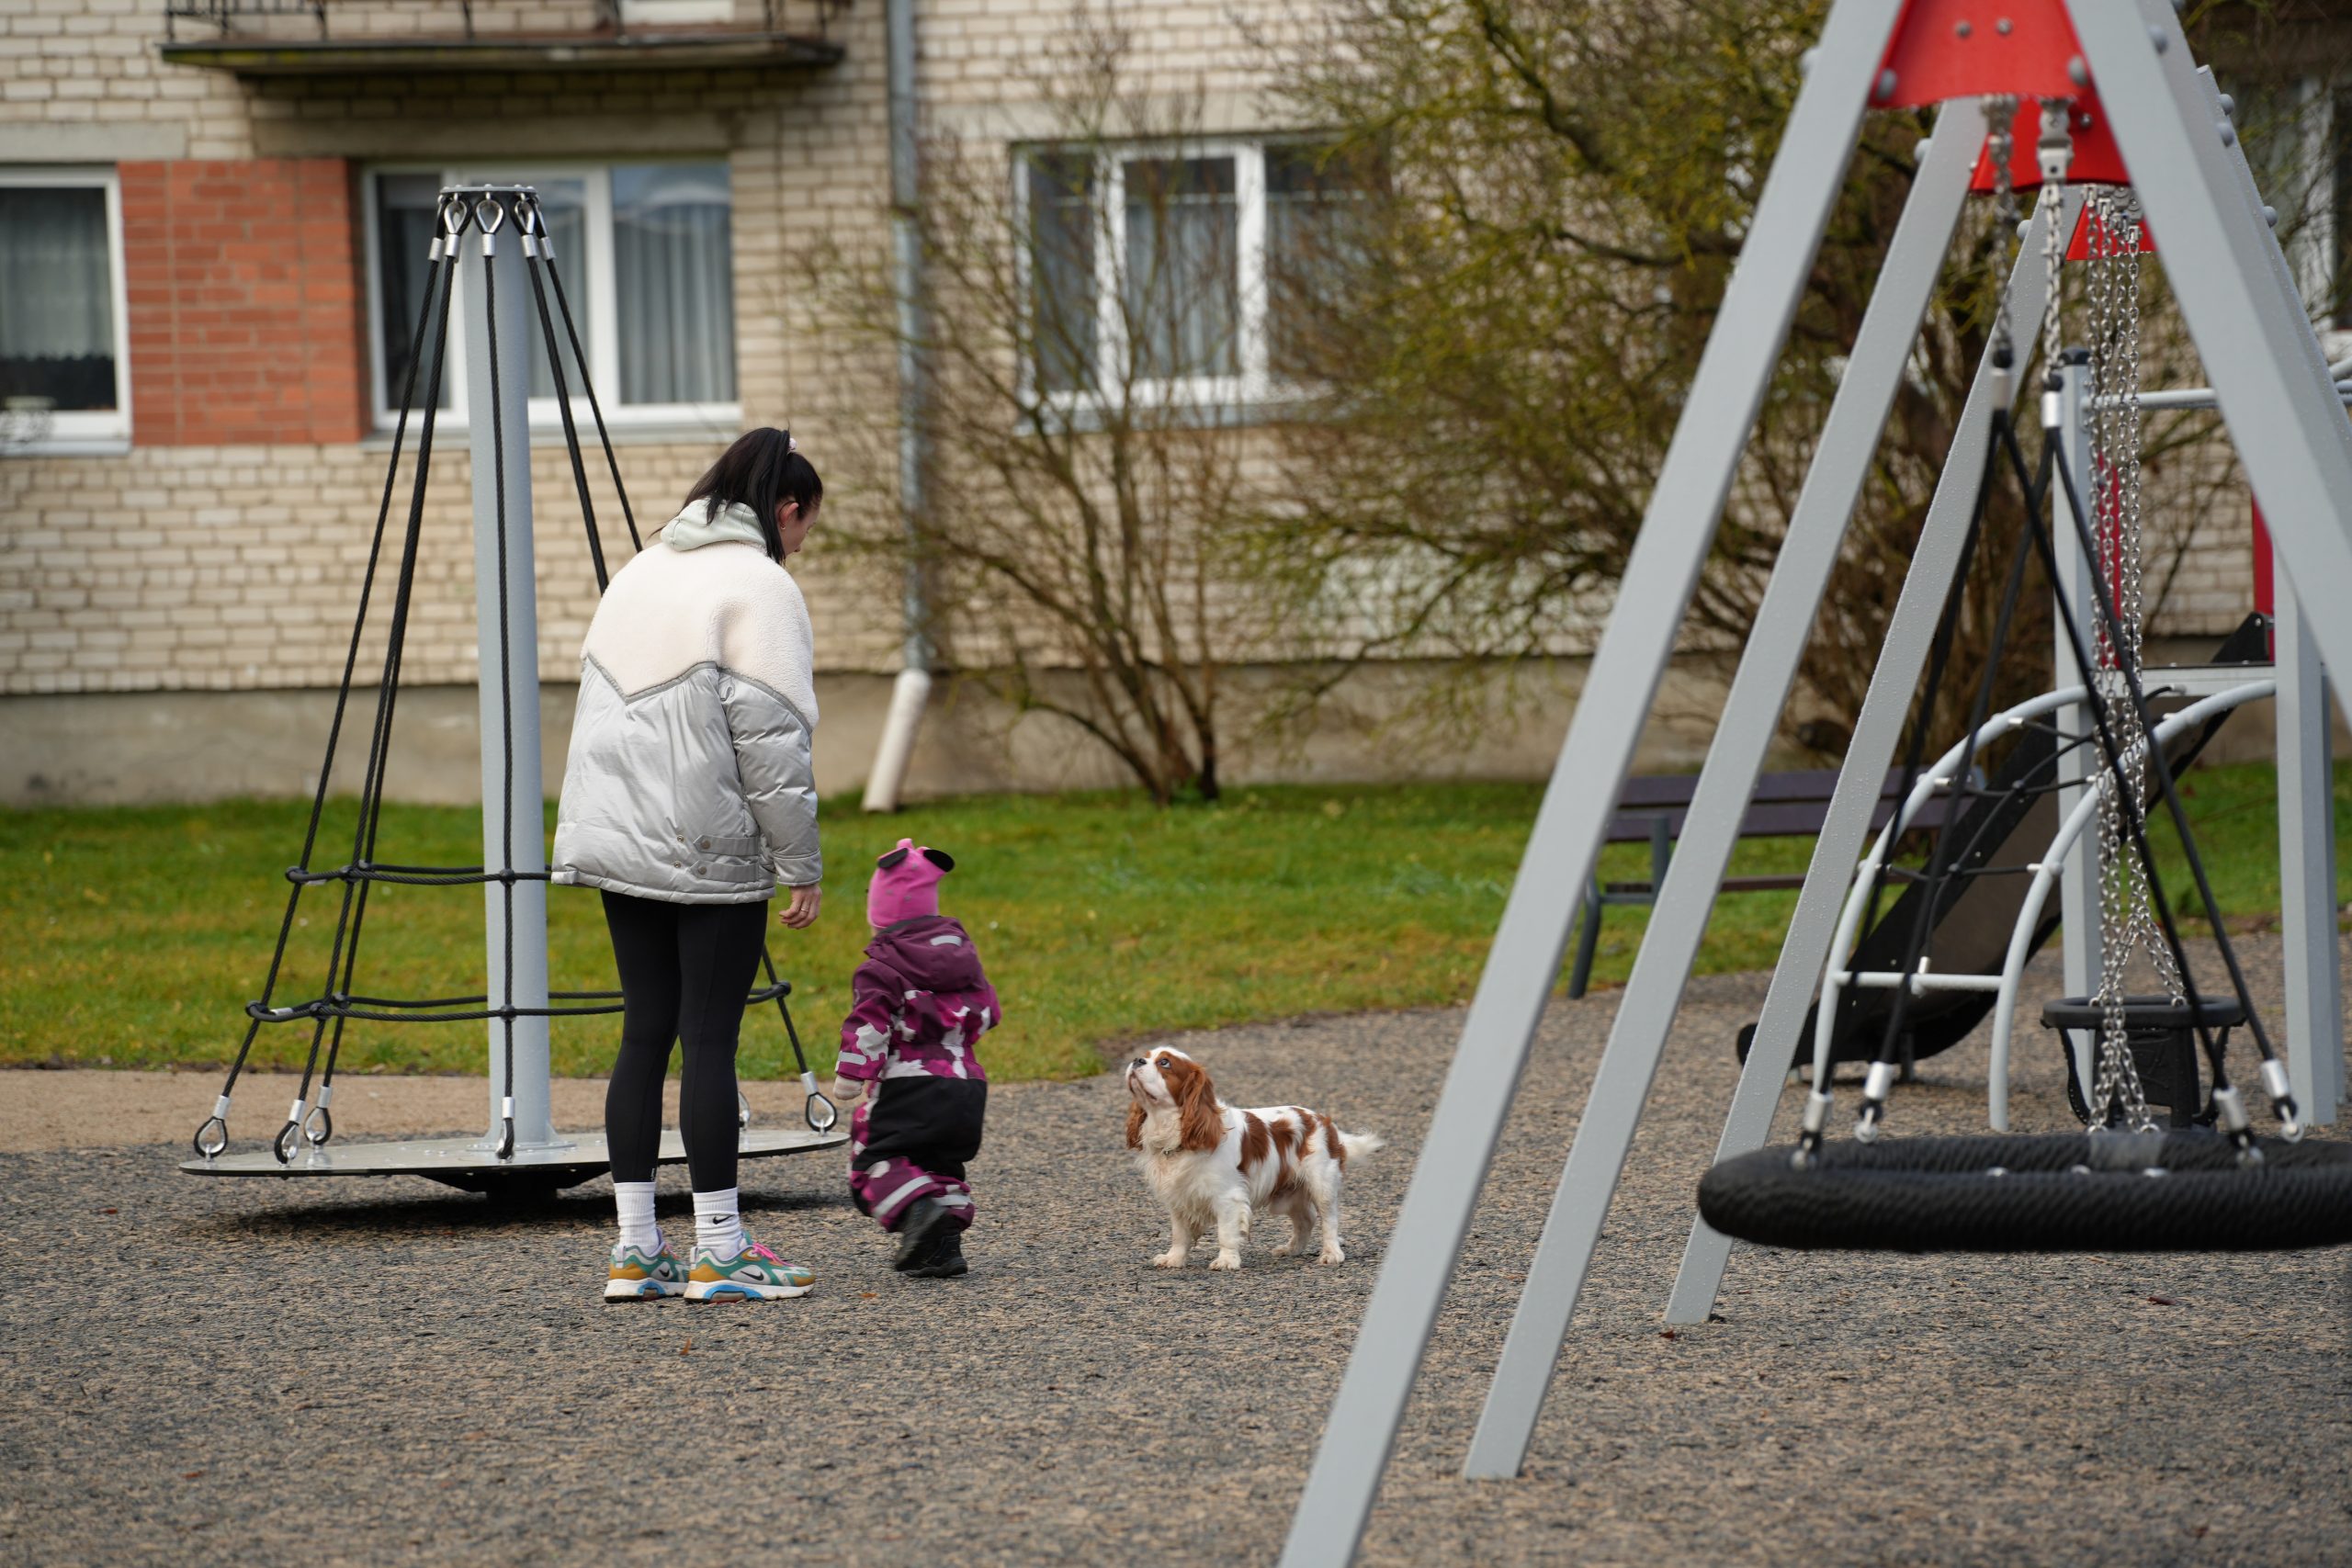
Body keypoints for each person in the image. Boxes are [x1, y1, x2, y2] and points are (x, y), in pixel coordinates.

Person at [551, 426, 827, 1303]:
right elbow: (772, 745)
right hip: (706, 840)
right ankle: (720, 1249)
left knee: (645, 1031)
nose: (799, 545)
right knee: (711, 1038)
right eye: (804, 527)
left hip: (613, 832)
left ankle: (637, 1250)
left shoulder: (641, 569)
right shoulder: (760, 584)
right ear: (785, 509)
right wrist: (801, 863)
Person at [832, 839, 999, 1280]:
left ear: (879, 913)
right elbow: (989, 1013)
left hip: (909, 1083)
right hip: (967, 1085)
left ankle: (919, 1213)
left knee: (872, 1165)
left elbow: (869, 1025)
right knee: (940, 1166)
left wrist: (852, 1074)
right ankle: (941, 1250)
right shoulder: (964, 960)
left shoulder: (882, 966)